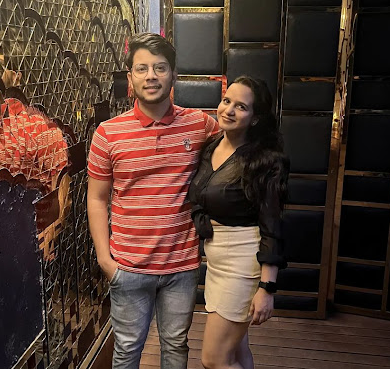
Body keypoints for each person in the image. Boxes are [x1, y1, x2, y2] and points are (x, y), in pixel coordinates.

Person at [86, 33, 218, 368]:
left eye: (160, 68)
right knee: (127, 350)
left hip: (181, 265)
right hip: (128, 266)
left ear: (173, 74)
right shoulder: (108, 134)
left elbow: (236, 151)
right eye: (142, 68)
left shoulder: (200, 125)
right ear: (130, 77)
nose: (151, 76)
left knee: (175, 346)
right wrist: (105, 260)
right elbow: (97, 199)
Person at [188, 76, 289, 369]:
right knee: (237, 352)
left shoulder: (266, 161)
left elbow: (272, 227)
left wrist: (267, 288)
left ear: (255, 118)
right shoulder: (211, 147)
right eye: (226, 101)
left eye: (241, 106)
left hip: (243, 263)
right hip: (217, 261)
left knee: (214, 359)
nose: (229, 110)